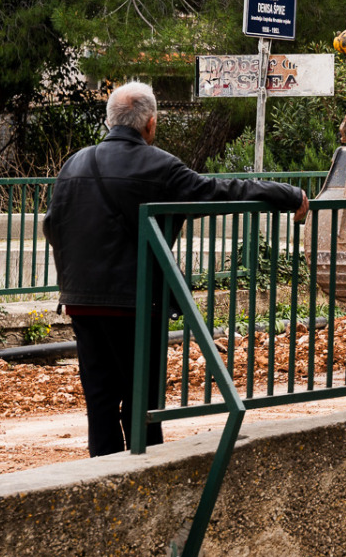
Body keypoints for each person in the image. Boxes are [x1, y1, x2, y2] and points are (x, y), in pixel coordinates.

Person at [44, 82, 310, 457]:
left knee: (100, 396)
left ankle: (102, 471)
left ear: (110, 121)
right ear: (150, 124)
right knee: (144, 398)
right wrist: (285, 194)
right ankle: (144, 468)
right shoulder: (159, 165)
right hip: (134, 301)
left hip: (81, 300)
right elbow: (222, 192)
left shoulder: (74, 163)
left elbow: (53, 224)